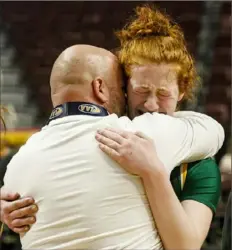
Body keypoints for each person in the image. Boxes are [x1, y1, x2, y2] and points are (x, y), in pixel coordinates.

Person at [0, 43, 224, 249]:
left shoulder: (18, 166)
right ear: (100, 87)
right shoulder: (142, 133)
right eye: (133, 91)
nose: (151, 105)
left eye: (164, 93)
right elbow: (213, 130)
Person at [94, 5, 223, 250]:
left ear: (182, 91)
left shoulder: (199, 166)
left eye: (163, 94)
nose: (151, 105)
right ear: (124, 87)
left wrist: (152, 171)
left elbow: (185, 247)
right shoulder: (96, 139)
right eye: (141, 91)